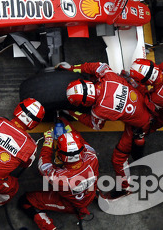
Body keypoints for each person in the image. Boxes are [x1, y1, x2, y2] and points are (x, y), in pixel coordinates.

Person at [64, 61, 156, 191]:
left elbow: (95, 125)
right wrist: (73, 67)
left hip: (143, 124)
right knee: (124, 75)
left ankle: (127, 188)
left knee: (118, 160)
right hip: (143, 98)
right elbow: (96, 66)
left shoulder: (100, 110)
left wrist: (72, 113)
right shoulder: (108, 76)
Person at [18, 125, 99, 230]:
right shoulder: (92, 157)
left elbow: (43, 166)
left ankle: (49, 227)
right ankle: (97, 195)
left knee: (25, 201)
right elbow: (82, 142)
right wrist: (68, 127)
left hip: (70, 204)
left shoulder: (59, 177)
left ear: (61, 156)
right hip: (89, 193)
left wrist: (48, 141)